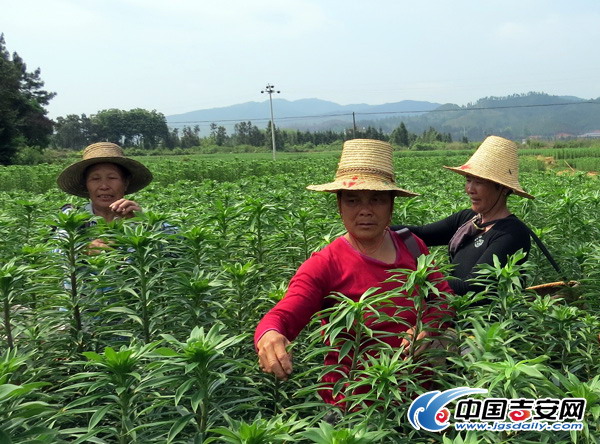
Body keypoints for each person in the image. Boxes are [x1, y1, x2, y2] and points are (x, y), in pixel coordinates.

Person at [254, 139, 453, 405]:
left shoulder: (411, 245)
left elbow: (444, 298)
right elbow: (283, 314)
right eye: (352, 200)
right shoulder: (326, 263)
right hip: (353, 407)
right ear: (339, 206)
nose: (365, 211)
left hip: (417, 396)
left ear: (392, 205)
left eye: (377, 199)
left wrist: (428, 327)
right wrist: (269, 335)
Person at [390, 135, 533, 295]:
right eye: (468, 180)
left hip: (488, 319)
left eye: (479, 182)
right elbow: (421, 233)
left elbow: (472, 287)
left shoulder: (512, 233)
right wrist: (376, 230)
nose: (470, 189)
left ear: (503, 189)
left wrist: (412, 281)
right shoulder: (469, 219)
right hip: (456, 313)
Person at [56, 141, 154, 251]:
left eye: (112, 178)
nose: (104, 186)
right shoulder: (72, 217)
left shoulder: (141, 216)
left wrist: (141, 223)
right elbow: (54, 253)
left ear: (125, 183)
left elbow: (172, 250)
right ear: (86, 185)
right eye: (95, 179)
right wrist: (82, 249)